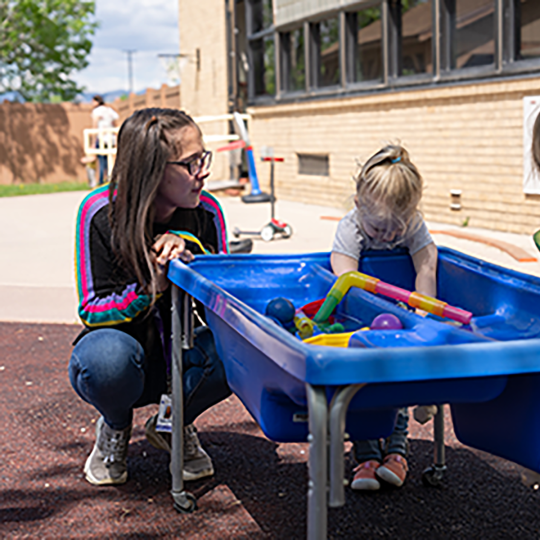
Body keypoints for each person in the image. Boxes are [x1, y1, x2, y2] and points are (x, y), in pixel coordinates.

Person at [69, 107, 232, 486]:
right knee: (106, 361)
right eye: (191, 163)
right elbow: (92, 309)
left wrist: (190, 250)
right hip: (124, 350)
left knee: (239, 352)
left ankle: (173, 422)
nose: (203, 172)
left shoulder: (207, 212)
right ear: (152, 169)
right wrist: (150, 289)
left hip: (183, 351)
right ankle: (114, 425)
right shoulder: (100, 212)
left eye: (203, 158)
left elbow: (224, 302)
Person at [330, 144, 438, 491]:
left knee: (397, 384)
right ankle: (364, 457)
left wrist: (423, 312)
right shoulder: (352, 226)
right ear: (359, 205)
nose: (389, 236)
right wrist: (370, 312)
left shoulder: (412, 224)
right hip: (361, 318)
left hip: (400, 320)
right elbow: (347, 277)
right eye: (379, 230)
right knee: (361, 385)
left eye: (397, 229)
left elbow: (427, 264)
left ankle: (396, 453)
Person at [91, 95, 119, 185]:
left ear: (97, 102)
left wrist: (93, 141)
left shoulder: (96, 111)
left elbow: (95, 126)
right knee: (109, 160)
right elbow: (114, 123)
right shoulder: (109, 110)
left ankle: (101, 181)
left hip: (102, 138)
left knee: (101, 160)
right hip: (111, 138)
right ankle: (110, 179)